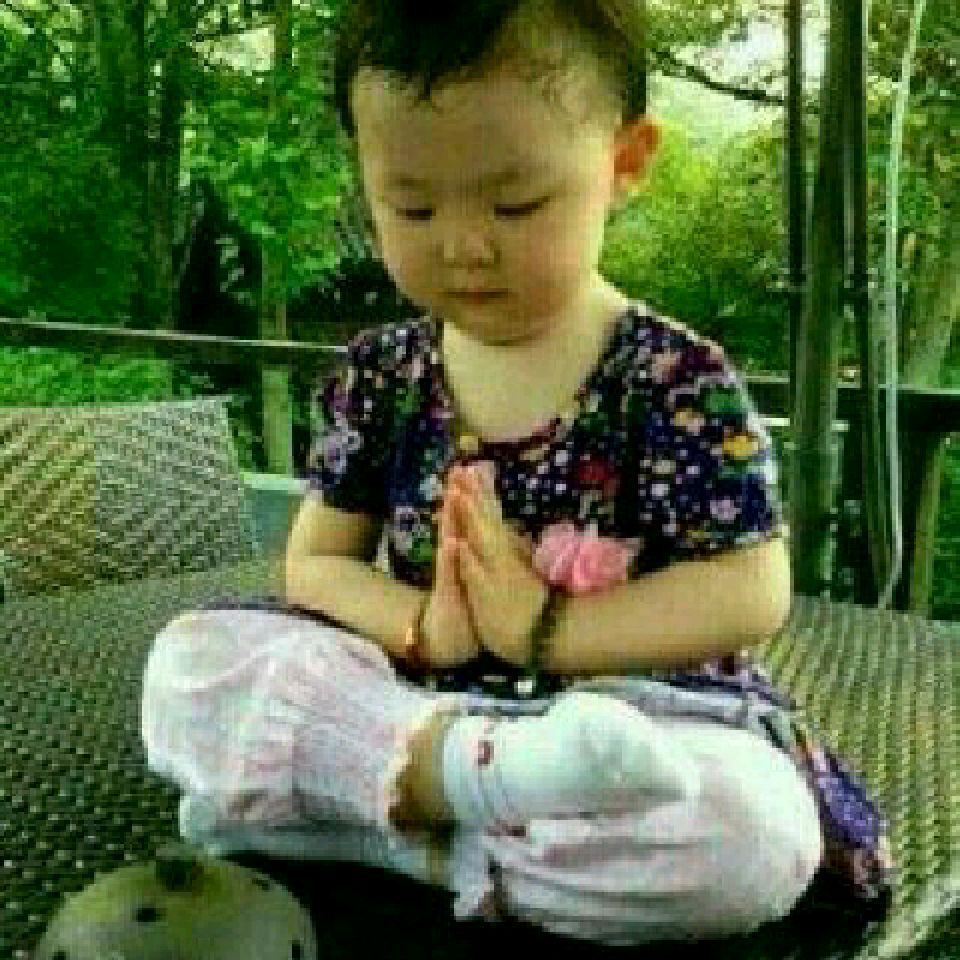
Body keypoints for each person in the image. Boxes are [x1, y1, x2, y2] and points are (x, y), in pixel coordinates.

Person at [141, 0, 894, 945]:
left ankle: (380, 829)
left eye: (516, 204)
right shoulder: (383, 375)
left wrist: (544, 629)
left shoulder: (677, 382)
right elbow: (315, 565)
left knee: (754, 836)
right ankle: (459, 783)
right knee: (190, 662)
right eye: (413, 207)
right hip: (410, 702)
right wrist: (424, 627)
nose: (465, 245)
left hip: (630, 715)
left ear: (625, 161)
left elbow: (750, 590)